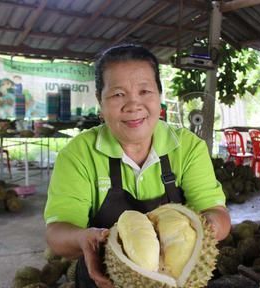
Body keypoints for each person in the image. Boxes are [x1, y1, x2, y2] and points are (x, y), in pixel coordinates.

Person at [44, 44, 231, 288]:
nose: (134, 105)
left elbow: (218, 215)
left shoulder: (188, 146)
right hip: (103, 279)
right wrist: (83, 239)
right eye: (118, 94)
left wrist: (204, 229)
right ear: (100, 103)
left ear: (160, 97)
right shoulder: (78, 153)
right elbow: (57, 233)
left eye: (145, 91)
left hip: (177, 278)